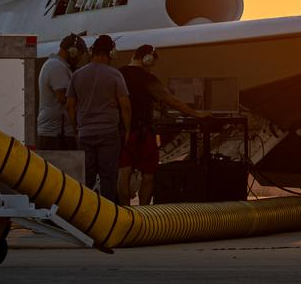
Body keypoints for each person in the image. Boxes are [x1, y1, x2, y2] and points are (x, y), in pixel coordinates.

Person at [116, 44, 204, 205]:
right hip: (143, 133)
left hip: (123, 132)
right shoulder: (147, 78)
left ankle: (124, 212)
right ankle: (145, 213)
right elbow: (171, 100)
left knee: (123, 174)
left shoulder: (119, 74)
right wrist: (197, 113)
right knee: (149, 175)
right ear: (147, 59)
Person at [68, 34, 132, 203]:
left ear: (92, 52)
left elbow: (70, 105)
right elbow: (125, 105)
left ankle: (85, 215)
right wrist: (127, 130)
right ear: (111, 54)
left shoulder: (77, 75)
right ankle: (107, 218)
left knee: (86, 179)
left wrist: (76, 128)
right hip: (109, 133)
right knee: (108, 177)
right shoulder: (115, 75)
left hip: (85, 133)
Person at [35, 33, 87, 151]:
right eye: (79, 55)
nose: (79, 59)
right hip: (57, 133)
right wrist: (76, 128)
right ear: (72, 51)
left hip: (57, 132)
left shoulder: (56, 65)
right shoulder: (57, 67)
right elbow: (64, 98)